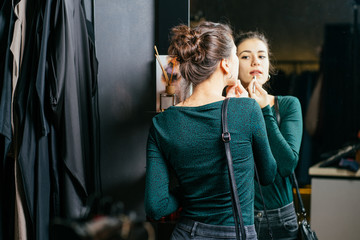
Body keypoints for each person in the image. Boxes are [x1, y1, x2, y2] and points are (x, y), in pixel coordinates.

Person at [145, 21, 277, 240]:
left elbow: (156, 206)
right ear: (225, 64)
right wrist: (247, 109)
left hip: (187, 233)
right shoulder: (247, 110)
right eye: (236, 54)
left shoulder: (162, 123)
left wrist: (189, 194)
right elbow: (268, 174)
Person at [235, 31, 303, 240]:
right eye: (245, 56)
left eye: (262, 56)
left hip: (280, 218)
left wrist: (265, 110)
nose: (256, 61)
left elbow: (287, 165)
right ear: (232, 64)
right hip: (236, 217)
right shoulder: (224, 106)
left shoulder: (288, 104)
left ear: (268, 65)